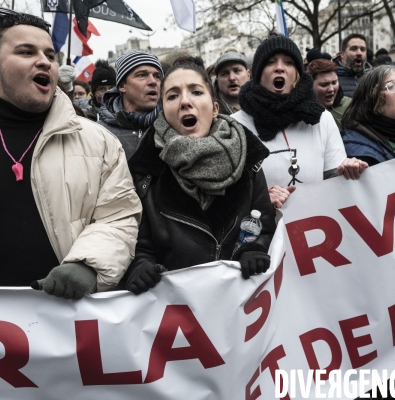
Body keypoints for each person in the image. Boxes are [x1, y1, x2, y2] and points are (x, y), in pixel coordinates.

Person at [0, 7, 141, 303]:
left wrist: (87, 265)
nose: (44, 62)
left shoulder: (100, 142)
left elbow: (119, 217)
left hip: (72, 324)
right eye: (26, 52)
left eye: (50, 55)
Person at [123, 59, 275, 294]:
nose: (185, 101)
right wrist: (140, 267)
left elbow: (262, 225)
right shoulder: (145, 173)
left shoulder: (248, 160)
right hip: (179, 309)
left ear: (214, 108)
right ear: (163, 112)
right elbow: (139, 245)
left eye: (196, 91)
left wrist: (254, 249)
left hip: (239, 303)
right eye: (172, 96)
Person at [232, 34, 367, 209]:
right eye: (270, 62)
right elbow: (227, 199)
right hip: (262, 233)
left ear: (297, 74)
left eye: (288, 62)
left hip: (315, 230)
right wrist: (261, 200)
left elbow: (336, 187)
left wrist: (348, 171)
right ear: (257, 74)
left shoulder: (320, 119)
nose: (280, 68)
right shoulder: (235, 127)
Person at [98, 50, 163, 161]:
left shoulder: (172, 126)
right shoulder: (99, 133)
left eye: (157, 76)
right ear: (123, 85)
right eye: (142, 75)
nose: (153, 82)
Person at [306, 59, 351, 130]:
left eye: (334, 83)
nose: (331, 89)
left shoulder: (350, 107)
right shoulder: (302, 114)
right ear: (310, 85)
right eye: (324, 85)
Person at [214, 51, 251, 115]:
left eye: (237, 71)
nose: (231, 78)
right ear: (217, 81)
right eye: (224, 74)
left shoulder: (264, 104)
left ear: (248, 75)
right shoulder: (212, 113)